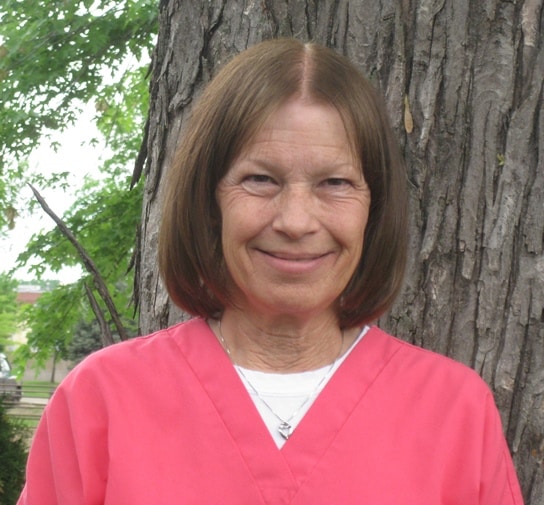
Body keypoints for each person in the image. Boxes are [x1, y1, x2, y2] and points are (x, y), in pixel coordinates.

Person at [18, 38, 524, 504]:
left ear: (375, 206)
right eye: (260, 179)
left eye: (335, 183)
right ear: (209, 198)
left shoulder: (455, 411)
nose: (296, 222)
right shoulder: (100, 402)